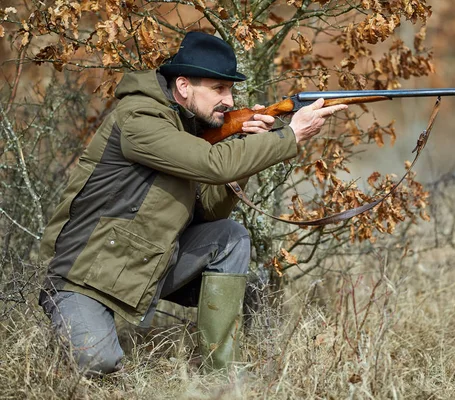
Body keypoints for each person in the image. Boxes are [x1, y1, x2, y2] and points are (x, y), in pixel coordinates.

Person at [38, 31, 347, 375]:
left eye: (230, 90)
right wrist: (289, 136)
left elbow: (211, 209)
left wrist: (246, 143)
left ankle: (221, 371)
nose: (229, 100)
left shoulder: (188, 127)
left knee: (229, 237)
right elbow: (213, 165)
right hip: (84, 276)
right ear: (183, 86)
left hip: (146, 262)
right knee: (98, 363)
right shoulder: (140, 119)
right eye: (218, 89)